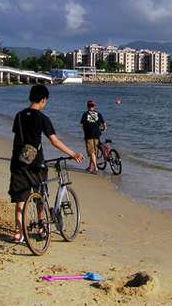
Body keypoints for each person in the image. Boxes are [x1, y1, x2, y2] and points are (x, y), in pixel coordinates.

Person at [9, 85, 84, 243]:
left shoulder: (19, 116)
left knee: (20, 198)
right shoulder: (42, 118)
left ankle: (19, 232)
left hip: (18, 162)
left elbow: (18, 138)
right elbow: (54, 141)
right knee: (40, 196)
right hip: (36, 163)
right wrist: (73, 154)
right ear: (43, 100)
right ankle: (41, 227)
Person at [80, 99, 107, 174]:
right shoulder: (98, 113)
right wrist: (104, 128)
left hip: (89, 135)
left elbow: (82, 125)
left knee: (91, 152)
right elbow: (104, 123)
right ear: (94, 106)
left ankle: (95, 168)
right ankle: (90, 167)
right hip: (97, 135)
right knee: (94, 152)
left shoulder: (85, 114)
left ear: (87, 106)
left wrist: (85, 131)